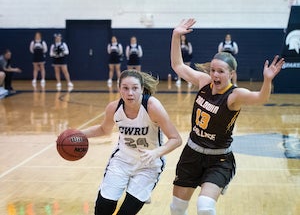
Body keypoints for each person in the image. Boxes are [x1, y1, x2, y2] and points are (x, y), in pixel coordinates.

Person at [170, 18, 284, 215]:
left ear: (231, 74)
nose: (215, 74)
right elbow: (177, 65)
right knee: (177, 208)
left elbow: (260, 98)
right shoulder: (204, 82)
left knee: (205, 207)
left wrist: (267, 80)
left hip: (218, 159)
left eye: (220, 71)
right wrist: (175, 36)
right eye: (213, 70)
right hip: (192, 153)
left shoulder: (234, 96)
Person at [80, 69, 182, 215]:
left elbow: (176, 139)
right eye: (125, 88)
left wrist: (156, 152)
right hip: (122, 161)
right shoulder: (114, 108)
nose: (130, 93)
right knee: (102, 209)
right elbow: (104, 129)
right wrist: (78, 134)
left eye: (135, 88)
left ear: (142, 89)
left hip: (148, 165)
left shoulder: (152, 107)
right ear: (119, 88)